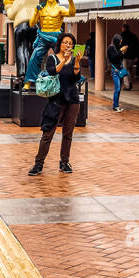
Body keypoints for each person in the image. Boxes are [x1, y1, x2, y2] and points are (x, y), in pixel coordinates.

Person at [28, 32, 83, 176]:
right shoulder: (52, 58)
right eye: (65, 42)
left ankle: (64, 162)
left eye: (70, 43)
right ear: (60, 44)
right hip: (56, 101)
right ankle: (38, 164)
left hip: (72, 99)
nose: (68, 45)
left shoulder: (74, 59)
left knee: (68, 134)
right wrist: (64, 61)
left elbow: (76, 78)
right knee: (48, 134)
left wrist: (76, 63)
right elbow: (52, 72)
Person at [107, 33, 128, 112]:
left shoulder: (118, 47)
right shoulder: (110, 48)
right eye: (119, 41)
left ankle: (117, 105)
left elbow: (120, 57)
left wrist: (123, 52)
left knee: (119, 89)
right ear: (116, 40)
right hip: (115, 70)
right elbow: (113, 58)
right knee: (117, 88)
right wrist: (120, 51)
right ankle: (115, 106)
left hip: (120, 70)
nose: (120, 43)